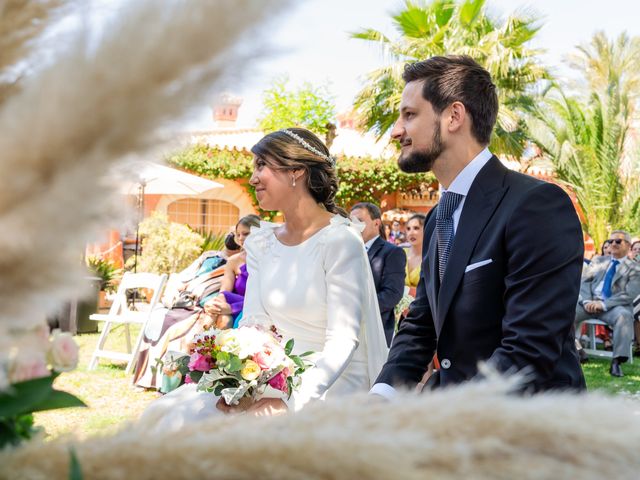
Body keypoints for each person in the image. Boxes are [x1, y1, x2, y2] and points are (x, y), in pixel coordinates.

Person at [140, 128, 388, 428]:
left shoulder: (339, 241)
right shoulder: (261, 242)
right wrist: (235, 376)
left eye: (261, 166)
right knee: (166, 417)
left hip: (330, 379)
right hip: (270, 373)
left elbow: (342, 339)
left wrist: (290, 401)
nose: (253, 177)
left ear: (296, 171)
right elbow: (253, 323)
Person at [372, 56, 585, 396]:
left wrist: (447, 416)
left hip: (530, 426)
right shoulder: (438, 216)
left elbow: (528, 350)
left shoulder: (536, 205)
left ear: (454, 116)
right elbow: (422, 324)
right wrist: (381, 397)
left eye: (409, 115)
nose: (397, 130)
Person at [575, 230, 640, 376]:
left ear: (628, 245)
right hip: (589, 303)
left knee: (624, 316)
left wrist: (603, 304)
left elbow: (629, 294)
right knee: (565, 311)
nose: (613, 244)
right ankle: (576, 349)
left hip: (614, 307)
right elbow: (584, 282)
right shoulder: (599, 261)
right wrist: (586, 301)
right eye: (610, 241)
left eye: (618, 241)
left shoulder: (635, 268)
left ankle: (617, 361)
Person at [350, 202, 406, 347]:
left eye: (360, 221)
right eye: (352, 222)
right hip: (346, 329)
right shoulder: (347, 251)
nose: (355, 225)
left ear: (376, 223)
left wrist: (356, 310)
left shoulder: (392, 252)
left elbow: (392, 294)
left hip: (375, 329)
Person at [203, 214, 261, 329]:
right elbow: (224, 292)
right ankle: (201, 339)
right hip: (235, 303)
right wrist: (214, 305)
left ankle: (202, 340)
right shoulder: (234, 261)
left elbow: (264, 299)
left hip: (256, 307)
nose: (240, 238)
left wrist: (232, 308)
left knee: (224, 318)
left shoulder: (269, 259)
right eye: (238, 234)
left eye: (245, 234)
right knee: (221, 310)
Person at [403, 213, 426, 296]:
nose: (411, 233)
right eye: (408, 229)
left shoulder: (431, 257)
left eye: (416, 228)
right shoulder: (400, 253)